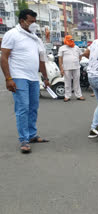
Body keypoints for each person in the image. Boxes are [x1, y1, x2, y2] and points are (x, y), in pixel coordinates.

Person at [1, 9, 50, 153]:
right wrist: (8, 78)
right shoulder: (12, 34)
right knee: (23, 108)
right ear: (22, 21)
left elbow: (41, 59)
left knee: (33, 107)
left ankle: (32, 135)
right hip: (18, 76)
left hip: (33, 77)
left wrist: (45, 77)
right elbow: (3, 57)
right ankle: (24, 139)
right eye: (31, 22)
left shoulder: (34, 37)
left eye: (35, 22)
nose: (34, 24)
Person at [58, 35, 85, 102]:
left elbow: (80, 55)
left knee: (77, 81)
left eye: (72, 39)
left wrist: (77, 60)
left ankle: (79, 95)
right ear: (66, 40)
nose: (71, 41)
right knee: (67, 82)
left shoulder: (76, 47)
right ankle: (67, 96)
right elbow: (60, 58)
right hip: (66, 67)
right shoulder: (62, 48)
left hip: (76, 67)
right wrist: (61, 68)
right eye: (70, 39)